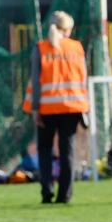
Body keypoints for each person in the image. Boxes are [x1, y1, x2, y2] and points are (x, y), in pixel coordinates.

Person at [23, 11, 89, 204]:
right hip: (72, 107)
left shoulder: (41, 48)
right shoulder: (77, 47)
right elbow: (83, 78)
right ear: (67, 29)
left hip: (46, 109)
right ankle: (65, 195)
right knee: (67, 151)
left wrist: (35, 109)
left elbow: (36, 82)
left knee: (44, 150)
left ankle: (46, 191)